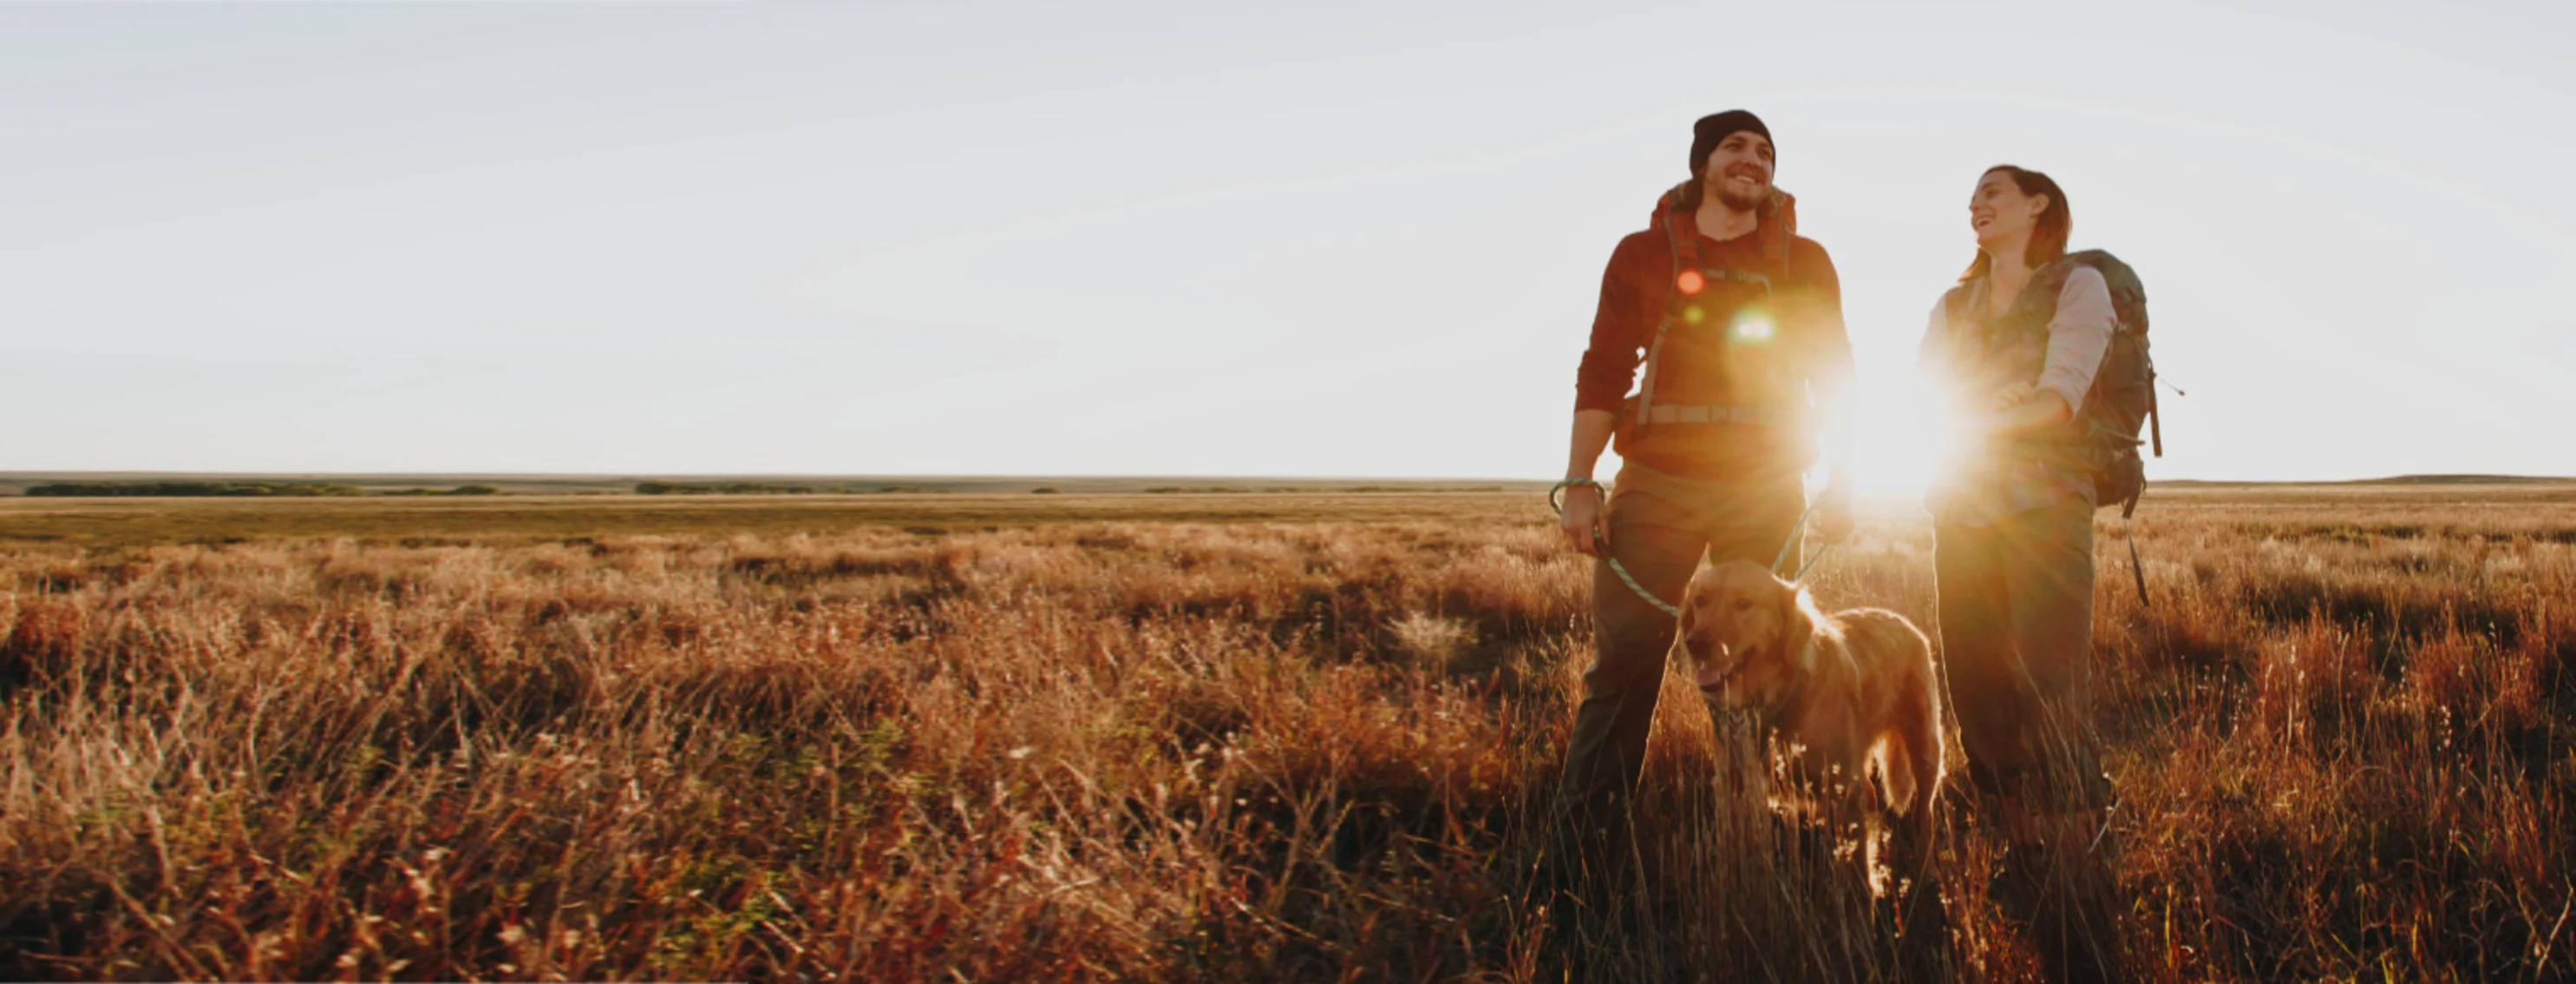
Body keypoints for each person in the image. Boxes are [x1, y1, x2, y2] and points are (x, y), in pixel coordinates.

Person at [1551, 110, 1856, 881]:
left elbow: (1836, 371)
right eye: (1735, 147)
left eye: (1765, 152)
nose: (1752, 159)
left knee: (1764, 665)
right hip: (1657, 483)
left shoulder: (1806, 261)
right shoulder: (1644, 253)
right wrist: (1582, 482)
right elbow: (1604, 368)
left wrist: (1847, 475)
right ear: (1701, 166)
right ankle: (1579, 855)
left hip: (1766, 485)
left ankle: (1762, 839)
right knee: (1625, 662)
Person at [1917, 164, 2127, 981]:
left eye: (1993, 190)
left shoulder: (2078, 287)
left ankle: (2077, 859)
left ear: (2038, 204)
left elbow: (2058, 399)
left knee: (2049, 680)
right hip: (1962, 505)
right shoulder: (1950, 305)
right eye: (1971, 196)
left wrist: (1983, 421)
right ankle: (2022, 850)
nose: (1976, 203)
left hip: (2046, 506)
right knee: (1974, 680)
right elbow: (1925, 396)